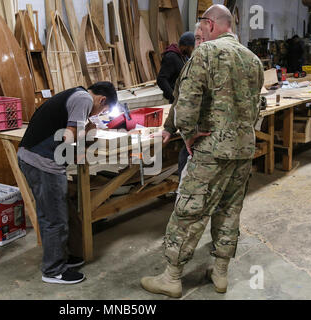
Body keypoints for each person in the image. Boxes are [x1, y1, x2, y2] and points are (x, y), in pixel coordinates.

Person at [141, 4, 264, 298]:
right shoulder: (254, 60)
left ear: (209, 24)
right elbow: (256, 105)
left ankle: (172, 277)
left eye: (199, 33)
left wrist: (188, 134)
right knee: (229, 210)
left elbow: (186, 104)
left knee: (190, 211)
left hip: (211, 151)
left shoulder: (206, 54)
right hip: (244, 150)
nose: (198, 40)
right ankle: (220, 273)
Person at [18, 82, 118, 285]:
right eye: (103, 111)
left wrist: (86, 126)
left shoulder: (77, 95)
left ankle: (61, 259)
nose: (98, 114)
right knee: (54, 218)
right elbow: (68, 136)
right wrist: (86, 133)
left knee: (57, 213)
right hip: (42, 162)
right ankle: (53, 270)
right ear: (102, 100)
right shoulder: (84, 100)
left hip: (37, 157)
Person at [162, 23, 205, 178]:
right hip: (196, 140)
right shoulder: (189, 66)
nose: (200, 43)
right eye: (197, 39)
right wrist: (169, 127)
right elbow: (179, 100)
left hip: (216, 140)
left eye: (203, 38)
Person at [157, 32, 196, 104]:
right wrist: (173, 97)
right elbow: (161, 79)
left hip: (182, 97)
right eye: (192, 47)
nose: (192, 50)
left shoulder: (182, 56)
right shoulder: (171, 57)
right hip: (176, 100)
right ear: (185, 46)